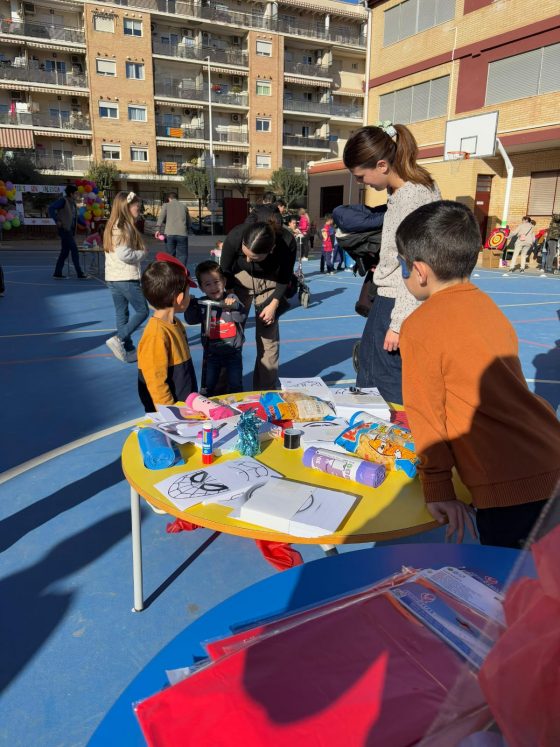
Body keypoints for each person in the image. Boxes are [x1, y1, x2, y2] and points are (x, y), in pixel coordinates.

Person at [396, 200, 560, 548]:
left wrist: (437, 488)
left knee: (511, 588)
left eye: (401, 265)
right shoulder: (487, 306)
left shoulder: (420, 326)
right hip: (547, 455)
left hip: (508, 487)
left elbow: (427, 416)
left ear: (420, 270)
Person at [343, 123, 441, 420]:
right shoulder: (406, 191)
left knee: (384, 386)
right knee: (374, 378)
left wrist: (398, 322)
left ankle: (390, 448)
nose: (361, 182)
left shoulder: (412, 197)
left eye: (362, 176)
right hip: (391, 298)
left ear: (382, 164)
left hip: (398, 303)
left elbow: (420, 264)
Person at [221, 208, 297, 389]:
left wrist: (273, 304)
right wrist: (230, 295)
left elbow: (284, 278)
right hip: (239, 281)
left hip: (271, 282)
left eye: (253, 257)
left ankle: (265, 389)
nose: (247, 259)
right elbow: (224, 270)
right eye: (244, 253)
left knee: (268, 340)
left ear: (271, 250)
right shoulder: (236, 235)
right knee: (230, 334)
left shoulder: (287, 243)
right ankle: (224, 388)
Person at [138, 254, 198, 412]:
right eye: (188, 292)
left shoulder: (176, 324)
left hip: (183, 405)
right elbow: (155, 382)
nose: (190, 296)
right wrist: (170, 413)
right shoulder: (156, 334)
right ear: (179, 298)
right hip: (170, 414)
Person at [185, 260, 247, 396]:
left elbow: (241, 317)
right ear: (201, 288)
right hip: (211, 353)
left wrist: (233, 306)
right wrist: (190, 304)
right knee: (208, 384)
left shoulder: (231, 298)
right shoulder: (203, 303)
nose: (214, 287)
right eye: (208, 284)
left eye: (217, 282)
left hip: (233, 352)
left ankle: (239, 403)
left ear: (224, 282)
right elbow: (191, 320)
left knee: (235, 383)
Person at [103, 191, 149, 363]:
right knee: (143, 310)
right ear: (126, 206)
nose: (139, 207)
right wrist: (142, 253)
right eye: (136, 204)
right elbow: (124, 254)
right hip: (125, 277)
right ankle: (119, 338)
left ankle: (128, 349)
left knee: (121, 314)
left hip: (113, 277)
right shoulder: (123, 227)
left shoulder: (113, 225)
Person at [49, 185, 88, 279]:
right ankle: (80, 273)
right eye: (76, 193)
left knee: (65, 252)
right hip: (64, 229)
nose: (77, 195)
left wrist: (85, 225)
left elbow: (76, 218)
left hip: (70, 231)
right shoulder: (63, 201)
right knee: (74, 249)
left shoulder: (73, 203)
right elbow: (51, 208)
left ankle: (57, 273)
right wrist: (57, 220)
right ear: (71, 194)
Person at [155, 193, 191, 266]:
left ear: (169, 198)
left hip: (169, 234)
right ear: (177, 198)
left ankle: (171, 272)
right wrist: (188, 229)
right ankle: (182, 272)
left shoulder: (166, 205)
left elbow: (161, 217)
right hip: (182, 234)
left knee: (170, 255)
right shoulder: (184, 206)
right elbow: (189, 221)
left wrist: (157, 229)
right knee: (182, 255)